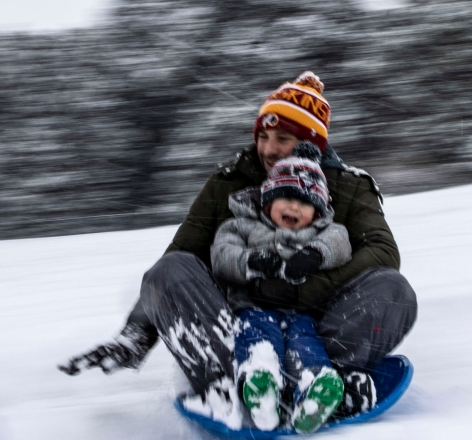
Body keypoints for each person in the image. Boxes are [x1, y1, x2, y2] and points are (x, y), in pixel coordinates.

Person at [60, 72, 417, 428]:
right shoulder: (229, 183)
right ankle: (232, 385)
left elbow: (383, 253)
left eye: (283, 138)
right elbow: (179, 260)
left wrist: (303, 288)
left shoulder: (351, 188)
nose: (268, 149)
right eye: (262, 136)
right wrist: (136, 335)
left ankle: (323, 383)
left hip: (318, 323)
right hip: (240, 325)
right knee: (170, 270)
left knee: (393, 290)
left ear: (312, 143)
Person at [212, 140, 351, 432]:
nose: (294, 207)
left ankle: (315, 387)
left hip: (302, 311)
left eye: (305, 203)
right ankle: (260, 382)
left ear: (317, 211)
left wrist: (315, 254)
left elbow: (340, 242)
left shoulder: (322, 230)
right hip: (252, 305)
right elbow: (222, 254)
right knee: (257, 335)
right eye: (286, 198)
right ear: (267, 200)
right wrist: (251, 261)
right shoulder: (243, 225)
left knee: (305, 342)